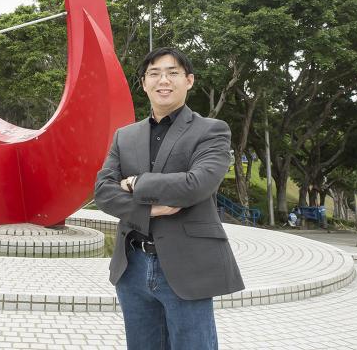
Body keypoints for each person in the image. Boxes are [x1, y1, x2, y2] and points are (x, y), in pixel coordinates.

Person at [94, 47, 245, 350]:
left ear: (188, 80)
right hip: (132, 266)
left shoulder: (211, 130)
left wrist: (137, 183)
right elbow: (103, 191)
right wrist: (148, 210)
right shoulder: (125, 136)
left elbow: (196, 184)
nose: (163, 80)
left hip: (187, 265)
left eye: (173, 72)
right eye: (154, 73)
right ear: (144, 82)